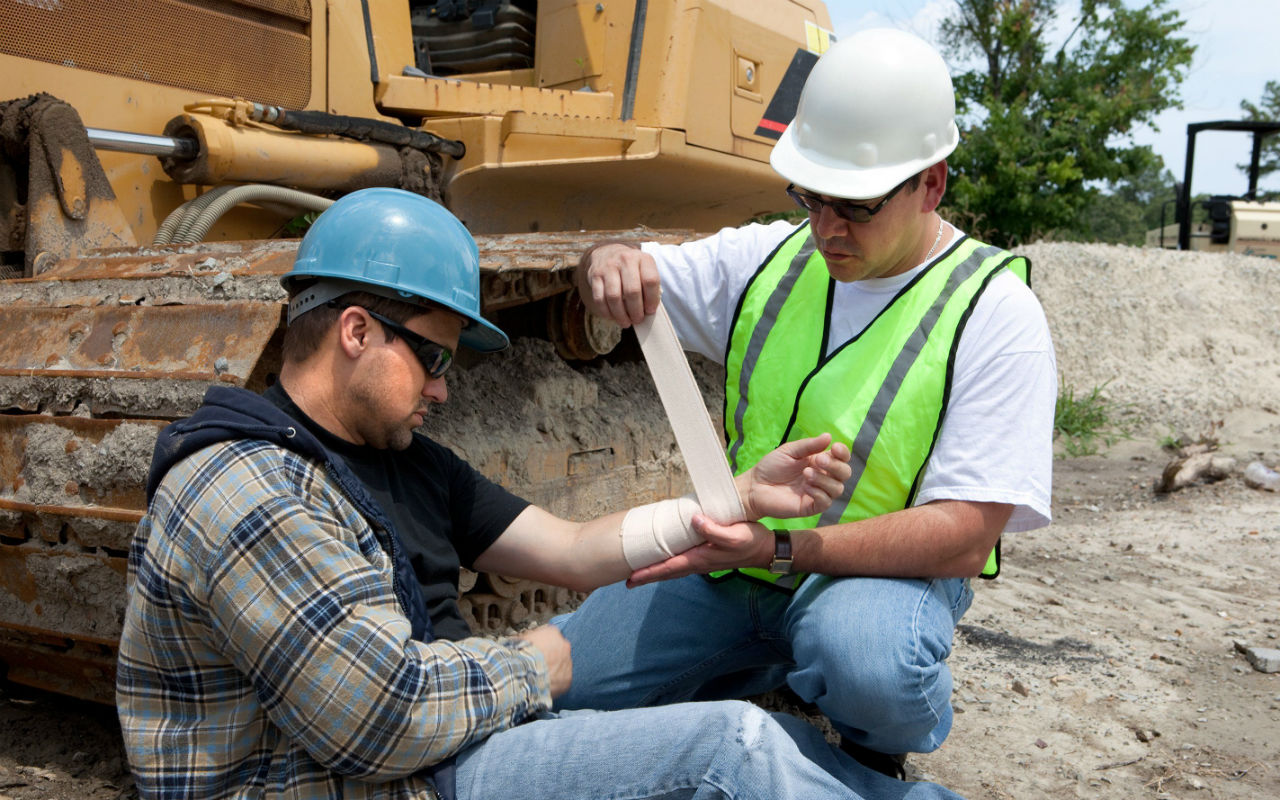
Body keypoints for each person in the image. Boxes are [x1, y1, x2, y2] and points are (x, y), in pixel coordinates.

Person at [115, 187, 972, 800]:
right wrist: (541, 663)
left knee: (748, 737)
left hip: (438, 748)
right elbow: (376, 721)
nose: (445, 389)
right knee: (730, 747)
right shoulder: (244, 487)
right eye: (437, 357)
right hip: (369, 779)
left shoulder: (405, 461)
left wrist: (738, 498)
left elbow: (568, 551)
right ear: (355, 331)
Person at [555, 27, 1057, 780]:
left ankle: (867, 745)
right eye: (811, 198)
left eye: (854, 205)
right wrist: (607, 263)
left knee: (868, 663)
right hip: (736, 566)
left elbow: (962, 535)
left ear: (932, 184)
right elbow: (627, 268)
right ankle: (768, 672)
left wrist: (784, 548)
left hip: (873, 585)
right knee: (570, 686)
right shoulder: (775, 257)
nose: (827, 227)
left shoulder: (995, 313)